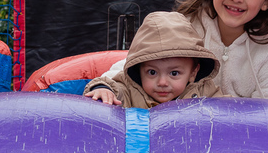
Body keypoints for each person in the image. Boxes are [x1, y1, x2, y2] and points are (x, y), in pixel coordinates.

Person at [84, 11, 223, 108]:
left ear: (193, 72)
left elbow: (229, 110)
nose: (162, 83)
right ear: (139, 68)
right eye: (152, 72)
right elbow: (114, 87)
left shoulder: (205, 91)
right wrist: (103, 90)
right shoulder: (130, 89)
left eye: (174, 73)